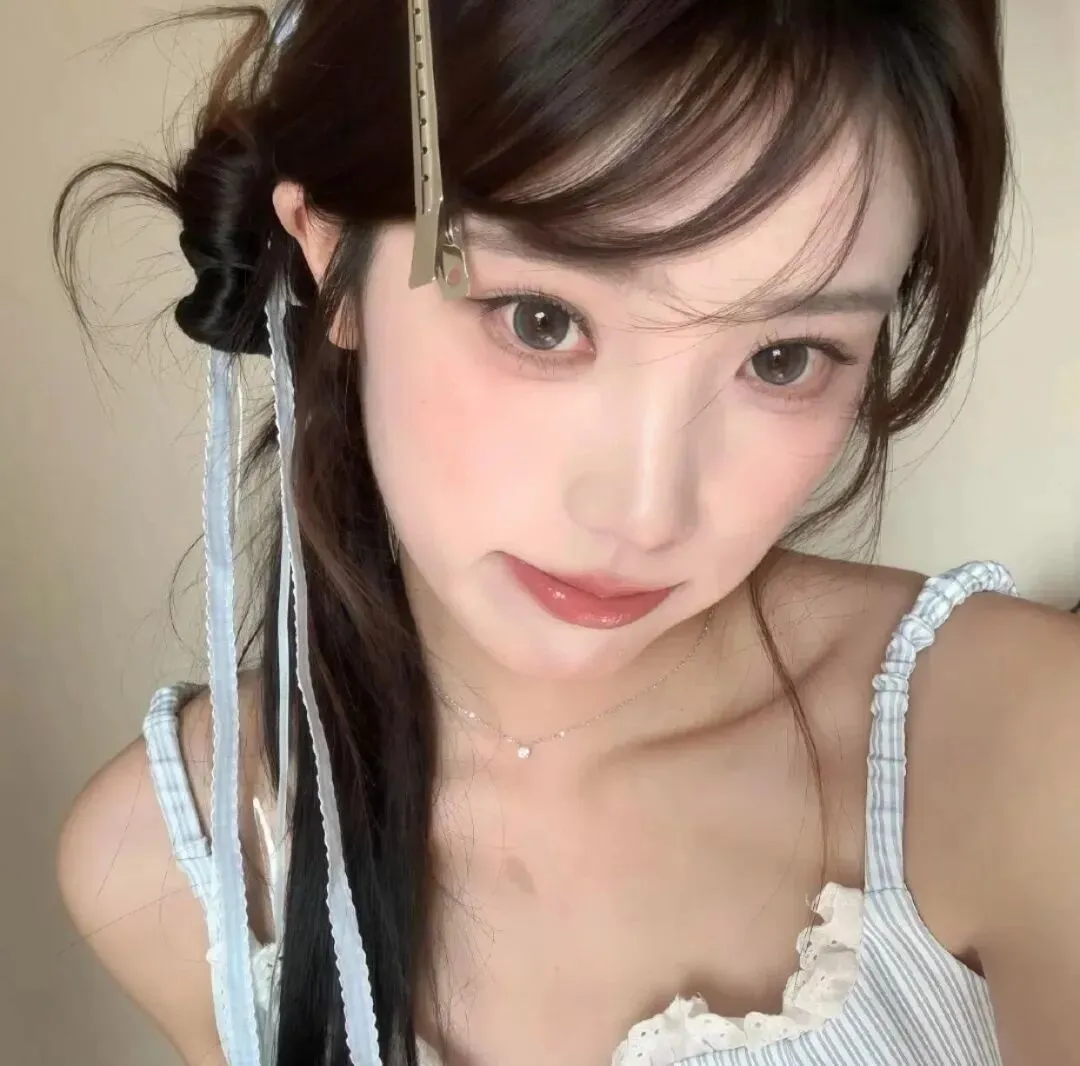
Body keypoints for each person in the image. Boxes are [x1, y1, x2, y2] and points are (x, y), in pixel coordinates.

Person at [51, 1, 1080, 1064]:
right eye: (541, 320)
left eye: (785, 358)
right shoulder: (177, 868)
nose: (645, 514)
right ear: (328, 253)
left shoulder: (1019, 749)